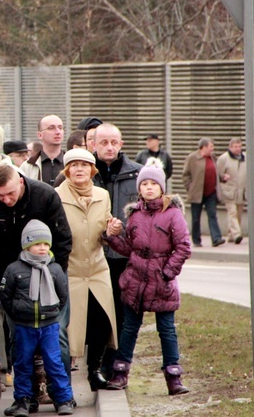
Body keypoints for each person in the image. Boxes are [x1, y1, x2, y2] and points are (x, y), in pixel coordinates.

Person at [0, 165, 73, 415]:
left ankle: (63, 395)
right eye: (0, 196)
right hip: (12, 281)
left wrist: (55, 274)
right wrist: (3, 291)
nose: (6, 200)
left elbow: (63, 238)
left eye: (10, 193)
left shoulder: (45, 195)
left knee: (58, 342)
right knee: (19, 346)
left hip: (49, 277)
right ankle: (25, 397)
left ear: (21, 181)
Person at [104, 159, 192, 395]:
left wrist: (167, 272)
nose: (149, 187)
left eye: (154, 183)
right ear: (139, 188)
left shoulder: (173, 214)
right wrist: (111, 238)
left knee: (166, 329)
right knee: (129, 328)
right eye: (145, 184)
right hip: (135, 280)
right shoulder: (134, 215)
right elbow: (130, 248)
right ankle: (120, 373)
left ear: (162, 187)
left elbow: (184, 247)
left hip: (162, 282)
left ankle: (173, 377)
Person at [55, 148, 117, 391]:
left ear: (92, 170)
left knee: (101, 322)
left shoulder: (102, 195)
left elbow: (103, 229)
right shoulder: (56, 196)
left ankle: (95, 372)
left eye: (84, 165)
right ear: (67, 170)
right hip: (71, 270)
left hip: (98, 268)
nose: (79, 169)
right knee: (70, 329)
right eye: (74, 165)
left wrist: (110, 231)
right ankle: (63, 383)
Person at [0, 220, 73, 417]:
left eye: (46, 244)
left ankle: (63, 398)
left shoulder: (55, 269)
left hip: (49, 325)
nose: (43, 248)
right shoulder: (14, 269)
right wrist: (16, 312)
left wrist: (54, 314)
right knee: (22, 363)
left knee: (54, 363)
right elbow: (5, 295)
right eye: (38, 243)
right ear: (26, 244)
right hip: (24, 326)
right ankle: (23, 400)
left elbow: (63, 295)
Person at [91, 122, 141, 374]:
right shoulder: (85, 172)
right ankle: (96, 365)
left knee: (124, 314)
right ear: (94, 145)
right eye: (103, 142)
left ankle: (117, 365)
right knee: (98, 313)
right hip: (94, 254)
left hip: (125, 258)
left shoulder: (138, 174)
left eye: (114, 142)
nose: (109, 147)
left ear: (121, 144)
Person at [182, 138, 224, 247]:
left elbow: (216, 172)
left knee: (212, 215)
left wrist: (222, 178)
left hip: (211, 193)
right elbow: (186, 175)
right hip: (197, 193)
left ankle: (216, 238)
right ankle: (196, 240)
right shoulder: (192, 158)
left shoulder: (213, 157)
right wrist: (190, 188)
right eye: (211, 146)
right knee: (196, 218)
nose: (212, 149)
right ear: (204, 147)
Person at [217, 138, 247, 244]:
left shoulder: (245, 158)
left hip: (241, 191)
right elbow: (217, 174)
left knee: (238, 213)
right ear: (230, 147)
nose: (238, 149)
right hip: (228, 191)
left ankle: (231, 234)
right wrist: (223, 177)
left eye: (239, 146)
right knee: (232, 212)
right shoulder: (223, 158)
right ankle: (237, 234)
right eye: (235, 147)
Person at [20, 115, 64, 185]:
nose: (58, 132)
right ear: (40, 135)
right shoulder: (27, 166)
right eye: (51, 128)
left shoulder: (70, 163)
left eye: (60, 128)